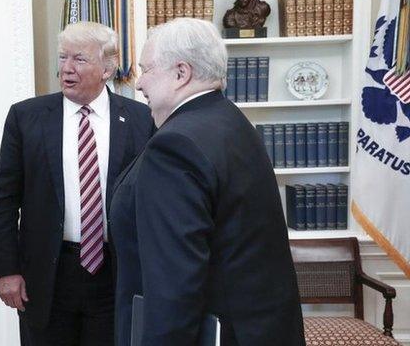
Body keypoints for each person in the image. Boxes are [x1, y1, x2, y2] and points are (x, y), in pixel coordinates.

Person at [110, 18, 305, 346]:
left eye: (146, 70)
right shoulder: (231, 121)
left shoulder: (175, 147)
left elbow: (174, 287)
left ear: (181, 73)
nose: (139, 83)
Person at [0, 21, 154, 345]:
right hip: (49, 274)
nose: (66, 68)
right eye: (62, 58)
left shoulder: (141, 120)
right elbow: (4, 200)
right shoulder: (26, 117)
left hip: (115, 272)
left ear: (107, 68)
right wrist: (6, 269)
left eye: (79, 59)